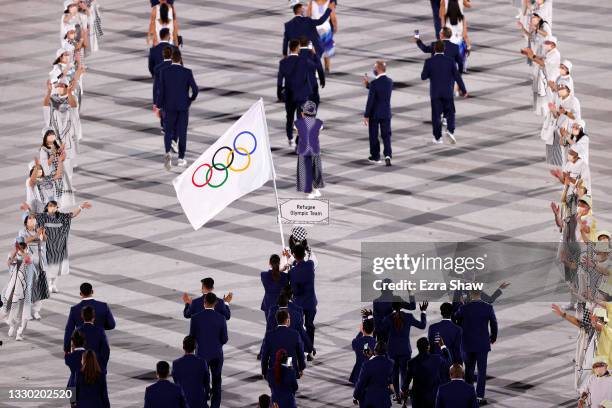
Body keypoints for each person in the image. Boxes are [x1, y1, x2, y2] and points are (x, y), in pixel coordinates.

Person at [454, 289, 498, 405]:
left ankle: (469, 395)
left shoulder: (464, 308)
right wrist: (493, 338)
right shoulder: (488, 308)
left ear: (470, 295)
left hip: (467, 344)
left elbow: (455, 320)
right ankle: (479, 396)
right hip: (482, 344)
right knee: (482, 371)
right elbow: (494, 324)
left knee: (469, 370)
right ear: (480, 294)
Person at [379, 301, 428, 402]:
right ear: (402, 306)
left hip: (392, 350)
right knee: (404, 372)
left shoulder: (388, 318)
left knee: (394, 373)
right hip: (405, 350)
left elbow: (380, 329)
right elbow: (422, 325)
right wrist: (423, 311)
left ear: (392, 307)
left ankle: (397, 395)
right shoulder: (409, 316)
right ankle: (404, 393)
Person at [421, 40, 467, 145]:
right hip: (447, 92)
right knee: (451, 112)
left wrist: (430, 72)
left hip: (435, 93)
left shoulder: (429, 61)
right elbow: (457, 77)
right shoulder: (450, 61)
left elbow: (423, 77)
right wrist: (464, 90)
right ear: (444, 49)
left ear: (434, 49)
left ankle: (438, 138)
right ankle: (450, 130)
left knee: (436, 116)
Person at [158, 48, 198, 170]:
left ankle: (168, 153)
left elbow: (161, 90)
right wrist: (190, 100)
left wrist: (160, 105)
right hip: (183, 107)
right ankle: (181, 158)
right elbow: (195, 89)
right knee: (182, 132)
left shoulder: (164, 72)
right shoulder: (187, 72)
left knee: (168, 131)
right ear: (180, 59)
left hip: (168, 107)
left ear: (171, 59)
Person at [189, 293, 228, 408]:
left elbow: (192, 338)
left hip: (201, 355)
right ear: (216, 303)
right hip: (217, 355)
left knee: (201, 382)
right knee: (216, 382)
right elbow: (224, 339)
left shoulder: (195, 318)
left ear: (204, 302)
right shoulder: (221, 318)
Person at [277, 40, 313, 148]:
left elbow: (280, 80)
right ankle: (299, 140)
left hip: (289, 95)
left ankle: (290, 138)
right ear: (297, 48)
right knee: (301, 119)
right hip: (302, 95)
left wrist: (279, 93)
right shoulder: (303, 61)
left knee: (289, 117)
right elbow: (307, 77)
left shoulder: (283, 62)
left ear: (289, 48)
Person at [63, 282, 116, 353]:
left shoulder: (74, 309)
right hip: (100, 343)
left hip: (82, 346)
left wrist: (67, 348)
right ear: (92, 292)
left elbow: (69, 330)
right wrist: (100, 326)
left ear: (80, 294)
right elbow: (112, 325)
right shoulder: (103, 306)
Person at [1, 237, 35, 341]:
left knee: (25, 312)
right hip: (14, 287)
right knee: (11, 308)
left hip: (27, 290)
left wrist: (22, 251)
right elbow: (8, 263)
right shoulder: (14, 256)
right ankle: (12, 325)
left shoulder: (29, 253)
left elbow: (28, 260)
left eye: (21, 244)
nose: (20, 246)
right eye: (18, 244)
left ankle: (19, 333)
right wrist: (16, 252)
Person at [403, 337, 452, 408]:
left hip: (417, 399)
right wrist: (442, 346)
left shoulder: (411, 363)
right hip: (433, 398)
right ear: (428, 347)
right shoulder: (436, 359)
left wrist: (404, 402)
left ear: (417, 347)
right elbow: (448, 360)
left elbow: (406, 383)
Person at [288, 244, 317, 358]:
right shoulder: (310, 265)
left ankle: (300, 351)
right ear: (304, 254)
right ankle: (309, 351)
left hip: (298, 304)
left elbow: (295, 291)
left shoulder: (293, 273)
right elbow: (303, 263)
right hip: (310, 303)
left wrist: (290, 263)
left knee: (298, 326)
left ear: (294, 255)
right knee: (309, 325)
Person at [18, 213, 50, 321]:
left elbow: (45, 240)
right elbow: (23, 242)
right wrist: (36, 235)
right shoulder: (22, 232)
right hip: (29, 263)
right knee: (29, 287)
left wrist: (43, 234)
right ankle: (26, 312)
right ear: (25, 221)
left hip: (39, 262)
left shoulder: (38, 229)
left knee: (39, 287)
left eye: (33, 218)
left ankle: (36, 311)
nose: (32, 220)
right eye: (30, 219)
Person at [362, 60, 393, 166]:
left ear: (378, 69)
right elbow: (381, 90)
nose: (374, 70)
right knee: (386, 135)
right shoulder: (390, 82)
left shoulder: (374, 84)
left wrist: (366, 115)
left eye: (375, 68)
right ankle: (388, 155)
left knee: (374, 135)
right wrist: (368, 85)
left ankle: (375, 156)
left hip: (375, 114)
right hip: (386, 113)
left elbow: (371, 100)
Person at [543, 83, 581, 167]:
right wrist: (553, 111)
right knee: (561, 154)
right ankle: (563, 172)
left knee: (571, 153)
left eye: (563, 88)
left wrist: (565, 112)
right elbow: (557, 115)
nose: (560, 90)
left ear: (568, 90)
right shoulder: (558, 99)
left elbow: (576, 117)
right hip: (559, 130)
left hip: (570, 130)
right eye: (559, 88)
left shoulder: (574, 101)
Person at [522, 35, 560, 116]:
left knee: (552, 98)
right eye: (545, 42)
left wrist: (532, 56)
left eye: (547, 43)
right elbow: (542, 59)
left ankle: (554, 114)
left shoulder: (555, 54)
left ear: (553, 45)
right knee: (548, 97)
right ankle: (550, 113)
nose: (545, 44)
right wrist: (531, 55)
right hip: (547, 78)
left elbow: (543, 63)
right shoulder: (549, 52)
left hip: (552, 80)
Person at [265, 292, 312, 358]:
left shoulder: (272, 313)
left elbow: (267, 333)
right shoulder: (297, 315)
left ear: (278, 303)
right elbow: (303, 333)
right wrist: (310, 348)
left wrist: (262, 353)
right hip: (292, 348)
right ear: (288, 303)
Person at [261, 310, 306, 378]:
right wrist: (301, 367)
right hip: (290, 367)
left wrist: (264, 371)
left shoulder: (269, 335)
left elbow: (264, 355)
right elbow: (300, 352)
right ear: (287, 320)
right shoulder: (295, 334)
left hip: (274, 368)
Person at [38, 127, 74, 210]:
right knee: (55, 192)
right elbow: (46, 163)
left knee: (62, 190)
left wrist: (62, 155)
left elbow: (61, 158)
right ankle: (54, 208)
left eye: (53, 135)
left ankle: (60, 206)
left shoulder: (55, 145)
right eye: (49, 135)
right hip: (52, 174)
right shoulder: (43, 149)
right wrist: (53, 154)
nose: (52, 137)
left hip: (60, 171)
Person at [295, 101, 325, 198]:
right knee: (316, 169)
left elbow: (298, 133)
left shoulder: (297, 123)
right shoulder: (319, 123)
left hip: (303, 149)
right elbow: (318, 132)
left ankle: (309, 191)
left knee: (305, 170)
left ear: (303, 113)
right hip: (315, 149)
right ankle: (316, 189)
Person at [372, 278, 416, 343]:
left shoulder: (376, 302)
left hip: (381, 338)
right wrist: (410, 292)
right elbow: (412, 307)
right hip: (394, 337)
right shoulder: (396, 299)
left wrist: (374, 339)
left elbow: (376, 324)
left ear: (381, 289)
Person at [172, 335, 211, 408]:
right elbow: (206, 382)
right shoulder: (202, 362)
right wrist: (206, 396)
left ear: (183, 347)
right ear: (195, 347)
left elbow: (176, 382)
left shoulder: (176, 364)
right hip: (199, 402)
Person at [353, 341, 394, 408]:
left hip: (369, 401)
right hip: (384, 401)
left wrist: (355, 396)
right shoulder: (390, 364)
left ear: (374, 351)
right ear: (386, 351)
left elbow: (361, 383)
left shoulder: (367, 365)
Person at [76, 306, 110, 372]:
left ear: (82, 317)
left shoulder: (77, 331)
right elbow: (106, 350)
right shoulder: (100, 331)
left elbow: (75, 352)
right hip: (97, 368)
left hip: (82, 370)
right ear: (93, 317)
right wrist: (102, 367)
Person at [307, 0, 338, 72]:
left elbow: (308, 15)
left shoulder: (312, 2)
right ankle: (327, 67)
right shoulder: (329, 3)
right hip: (326, 28)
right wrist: (335, 26)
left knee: (315, 48)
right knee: (327, 48)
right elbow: (333, 17)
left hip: (315, 28)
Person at [297, 37, 325, 109]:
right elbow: (319, 68)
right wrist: (322, 80)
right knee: (314, 104)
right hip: (312, 84)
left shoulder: (296, 54)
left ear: (299, 44)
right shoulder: (312, 54)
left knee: (300, 108)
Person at [349, 312, 376, 384]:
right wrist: (371, 317)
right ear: (373, 329)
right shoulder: (375, 343)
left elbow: (358, 341)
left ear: (363, 329)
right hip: (371, 375)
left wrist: (361, 332)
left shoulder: (356, 342)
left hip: (358, 373)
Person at [443, 0, 470, 71]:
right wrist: (469, 47)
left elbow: (443, 32)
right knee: (464, 45)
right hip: (458, 45)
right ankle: (462, 63)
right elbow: (465, 35)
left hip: (449, 46)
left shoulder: (445, 17)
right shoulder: (462, 18)